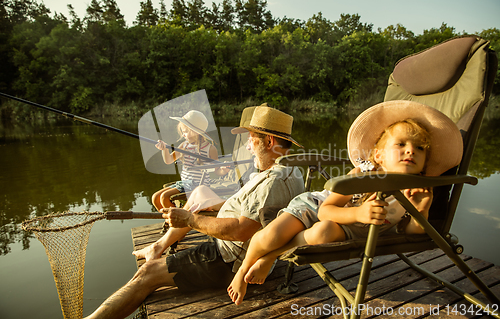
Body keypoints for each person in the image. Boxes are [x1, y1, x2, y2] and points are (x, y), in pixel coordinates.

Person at [227, 100, 464, 305]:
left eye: (419, 148)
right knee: (271, 235)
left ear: (425, 161)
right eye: (401, 144)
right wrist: (359, 213)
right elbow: (327, 209)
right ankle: (243, 269)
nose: (410, 151)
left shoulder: (417, 189)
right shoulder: (365, 173)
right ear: (379, 155)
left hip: (345, 228)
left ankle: (270, 257)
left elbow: (409, 230)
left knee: (322, 234)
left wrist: (421, 209)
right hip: (316, 206)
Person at [85, 104, 305, 319]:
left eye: (251, 138)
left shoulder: (272, 182)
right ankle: (159, 246)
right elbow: (256, 214)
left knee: (147, 273)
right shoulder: (291, 170)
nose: (247, 146)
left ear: (269, 141)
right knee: (200, 196)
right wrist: (218, 205)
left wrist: (189, 219)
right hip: (237, 250)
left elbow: (240, 231)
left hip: (227, 260)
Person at [151, 110, 224, 212]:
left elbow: (216, 171)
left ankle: (178, 220)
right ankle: (171, 219)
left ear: (194, 131)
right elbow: (169, 160)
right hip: (185, 183)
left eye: (185, 131)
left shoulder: (210, 149)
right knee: (155, 198)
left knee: (164, 197)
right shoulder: (184, 145)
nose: (183, 134)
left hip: (197, 184)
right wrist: (164, 149)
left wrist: (223, 170)